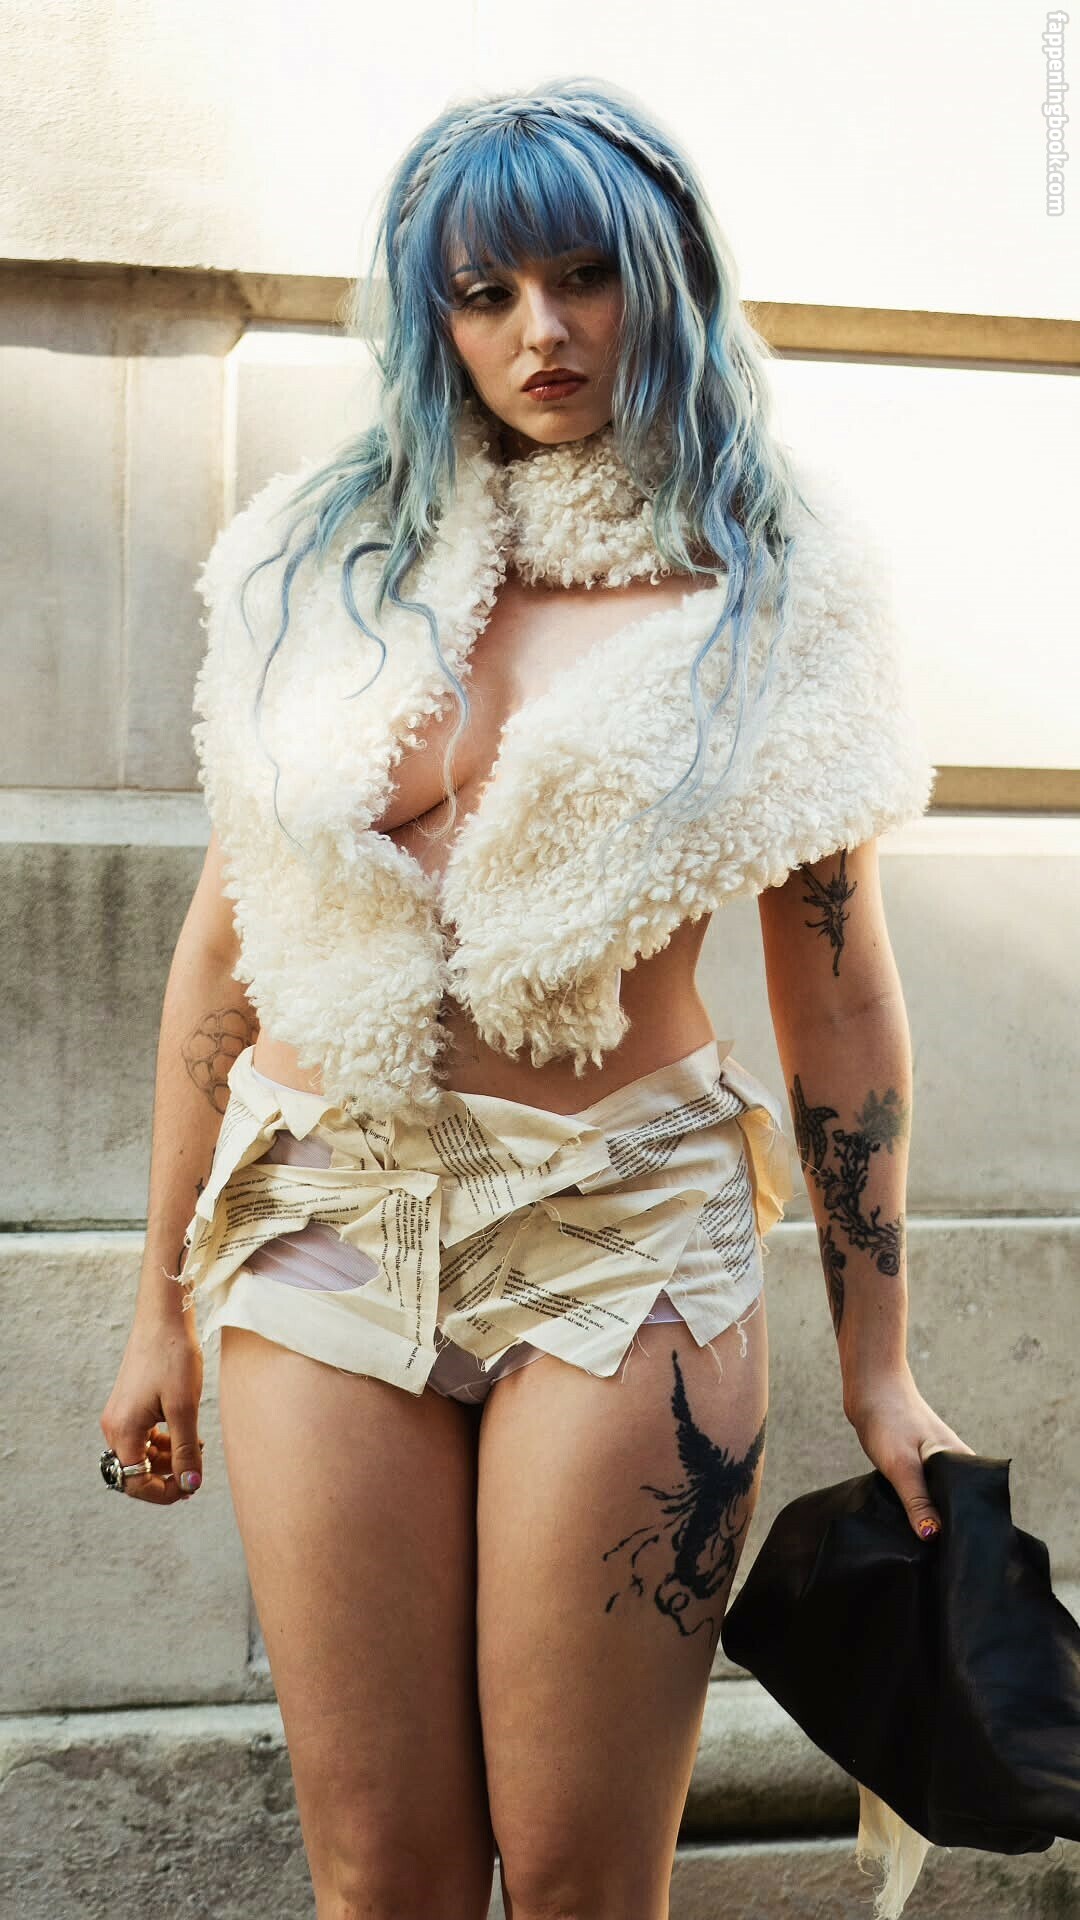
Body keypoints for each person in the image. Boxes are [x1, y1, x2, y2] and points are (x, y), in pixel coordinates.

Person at [101, 77, 975, 1920]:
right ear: (431, 316)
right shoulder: (314, 565)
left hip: (622, 1233)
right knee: (382, 1878)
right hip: (318, 1221)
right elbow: (226, 948)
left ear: (665, 282)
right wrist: (156, 1305)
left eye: (586, 277)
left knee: (583, 1882)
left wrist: (881, 1366)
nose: (542, 333)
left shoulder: (774, 593)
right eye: (485, 293)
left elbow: (839, 1007)